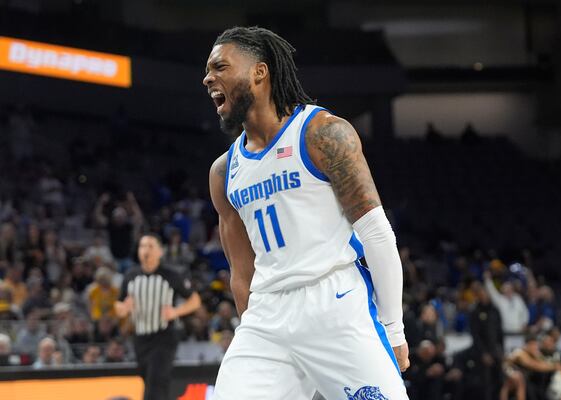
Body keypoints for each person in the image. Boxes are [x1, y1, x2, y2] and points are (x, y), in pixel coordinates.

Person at [204, 26, 409, 399]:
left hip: (334, 303)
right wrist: (254, 328)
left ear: (259, 72)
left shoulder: (322, 134)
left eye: (219, 67)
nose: (208, 78)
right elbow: (241, 271)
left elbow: (377, 233)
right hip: (266, 314)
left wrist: (393, 328)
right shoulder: (223, 171)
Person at [114, 233, 201, 400]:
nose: (146, 250)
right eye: (142, 246)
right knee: (149, 380)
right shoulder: (130, 276)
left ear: (160, 252)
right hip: (140, 337)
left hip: (164, 336)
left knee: (156, 380)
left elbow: (195, 300)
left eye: (150, 246)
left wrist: (176, 312)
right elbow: (118, 305)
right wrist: (124, 308)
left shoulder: (171, 275)